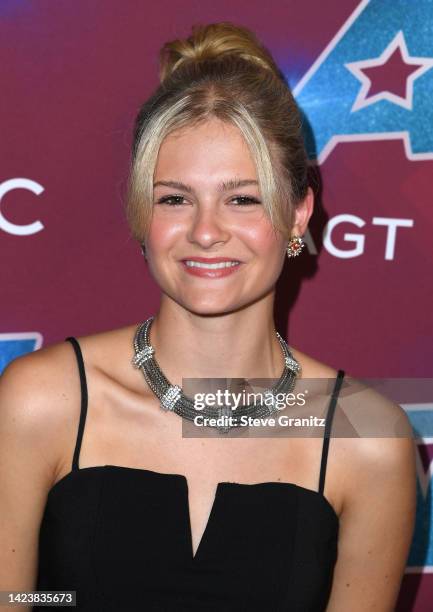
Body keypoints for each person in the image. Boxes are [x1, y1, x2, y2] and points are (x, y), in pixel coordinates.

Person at [0, 21, 416, 612]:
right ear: (144, 213)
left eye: (242, 198)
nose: (205, 231)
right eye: (175, 198)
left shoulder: (369, 441)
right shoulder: (43, 400)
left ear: (299, 213)